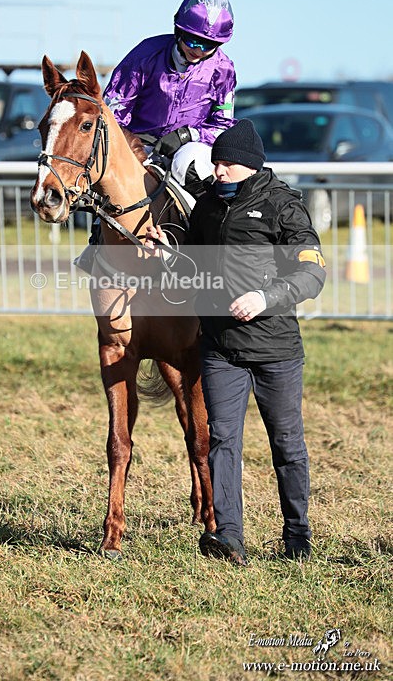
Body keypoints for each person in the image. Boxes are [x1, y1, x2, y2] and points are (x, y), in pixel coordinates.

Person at [145, 119, 326, 566]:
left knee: (286, 443)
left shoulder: (284, 206)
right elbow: (193, 264)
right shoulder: (206, 206)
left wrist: (266, 298)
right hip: (221, 348)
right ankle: (228, 537)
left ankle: (297, 535)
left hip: (275, 350)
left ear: (249, 165)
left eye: (226, 163)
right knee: (222, 439)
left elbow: (312, 272)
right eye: (216, 162)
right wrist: (165, 253)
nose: (218, 170)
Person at [104, 0, 236, 197]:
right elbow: (112, 111)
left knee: (188, 162)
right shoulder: (145, 55)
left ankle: (206, 225)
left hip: (189, 148)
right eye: (193, 40)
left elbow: (222, 126)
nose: (199, 50)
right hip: (139, 144)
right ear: (179, 31)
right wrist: (131, 140)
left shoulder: (224, 69)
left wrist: (187, 135)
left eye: (209, 45)